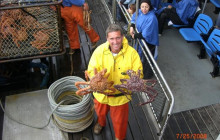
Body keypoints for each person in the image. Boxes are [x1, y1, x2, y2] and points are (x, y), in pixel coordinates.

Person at [87, 24, 143, 140]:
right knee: (100, 113)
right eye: (112, 38)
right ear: (107, 39)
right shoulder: (99, 51)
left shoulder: (132, 54)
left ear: (122, 37)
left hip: (120, 96)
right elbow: (91, 69)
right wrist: (95, 78)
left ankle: (119, 138)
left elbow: (139, 73)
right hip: (101, 94)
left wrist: (134, 79)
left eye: (118, 38)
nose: (115, 41)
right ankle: (101, 123)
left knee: (120, 122)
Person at [130, 0, 159, 79]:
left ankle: (147, 76)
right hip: (141, 39)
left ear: (149, 7)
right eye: (142, 7)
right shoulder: (139, 12)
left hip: (150, 41)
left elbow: (145, 34)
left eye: (146, 7)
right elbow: (134, 18)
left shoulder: (152, 18)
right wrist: (132, 26)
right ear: (140, 7)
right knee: (140, 55)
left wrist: (134, 35)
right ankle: (138, 70)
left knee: (148, 60)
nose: (144, 9)